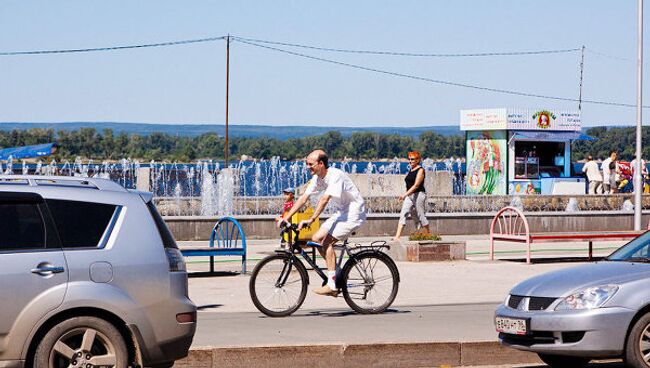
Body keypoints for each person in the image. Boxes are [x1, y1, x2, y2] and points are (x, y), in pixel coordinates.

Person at [278, 150, 366, 296]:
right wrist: (286, 218)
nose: (307, 167)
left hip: (354, 213)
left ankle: (332, 285)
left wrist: (312, 219)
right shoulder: (317, 178)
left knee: (327, 243)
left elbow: (324, 199)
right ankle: (337, 274)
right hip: (342, 212)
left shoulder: (335, 175)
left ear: (321, 164)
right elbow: (303, 199)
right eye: (306, 164)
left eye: (310, 164)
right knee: (316, 239)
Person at [393, 151, 430, 240]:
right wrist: (407, 195)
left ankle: (428, 234)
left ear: (418, 160)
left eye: (412, 159)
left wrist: (404, 195)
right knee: (403, 214)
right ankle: (397, 237)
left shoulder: (420, 170)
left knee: (420, 215)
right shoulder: (411, 170)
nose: (410, 161)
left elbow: (416, 185)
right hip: (410, 196)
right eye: (409, 159)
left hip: (419, 195)